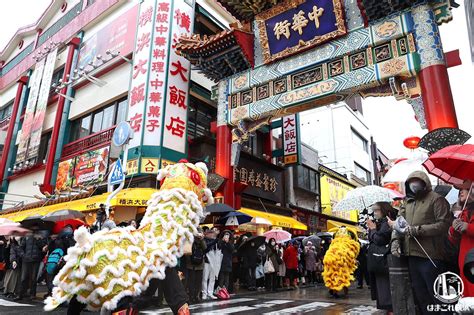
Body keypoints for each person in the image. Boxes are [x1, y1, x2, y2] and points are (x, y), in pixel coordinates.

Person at [390, 171, 451, 315]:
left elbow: (444, 224)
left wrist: (417, 230)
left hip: (431, 256)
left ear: (425, 182)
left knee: (438, 296)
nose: (414, 184)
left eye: (417, 180)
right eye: (411, 181)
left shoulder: (437, 199)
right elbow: (399, 223)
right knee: (421, 296)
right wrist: (395, 241)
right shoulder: (407, 202)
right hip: (412, 255)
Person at [448, 181, 474, 298]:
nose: (461, 192)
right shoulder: (463, 213)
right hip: (464, 263)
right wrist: (454, 229)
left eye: (465, 188)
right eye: (460, 189)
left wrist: (468, 227)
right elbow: (454, 240)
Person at [367, 202, 393, 314]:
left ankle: (390, 309)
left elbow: (380, 240)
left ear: (384, 210)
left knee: (385, 287)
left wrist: (373, 229)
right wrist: (373, 228)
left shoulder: (387, 222)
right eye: (374, 210)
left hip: (384, 260)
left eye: (377, 210)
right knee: (381, 287)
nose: (375, 213)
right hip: (378, 260)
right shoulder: (379, 223)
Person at [16, 227, 47, 300]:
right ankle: (20, 294)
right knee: (23, 278)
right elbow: (21, 248)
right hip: (26, 260)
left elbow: (43, 248)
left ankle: (32, 294)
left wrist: (38, 239)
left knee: (33, 278)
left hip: (36, 260)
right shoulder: (26, 236)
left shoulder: (41, 236)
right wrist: (23, 255)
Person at [184, 229, 206, 303]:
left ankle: (196, 296)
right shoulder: (189, 238)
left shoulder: (201, 239)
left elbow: (205, 248)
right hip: (191, 264)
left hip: (200, 264)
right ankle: (191, 297)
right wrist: (192, 237)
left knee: (198, 282)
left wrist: (202, 239)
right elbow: (187, 250)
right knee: (191, 282)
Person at [201, 229, 221, 300]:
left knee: (212, 278)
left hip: (214, 262)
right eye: (210, 233)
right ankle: (204, 293)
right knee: (205, 278)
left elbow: (219, 249)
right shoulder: (204, 240)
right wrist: (214, 241)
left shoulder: (215, 240)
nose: (212, 234)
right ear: (207, 234)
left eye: (212, 233)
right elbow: (206, 248)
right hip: (207, 262)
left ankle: (210, 292)